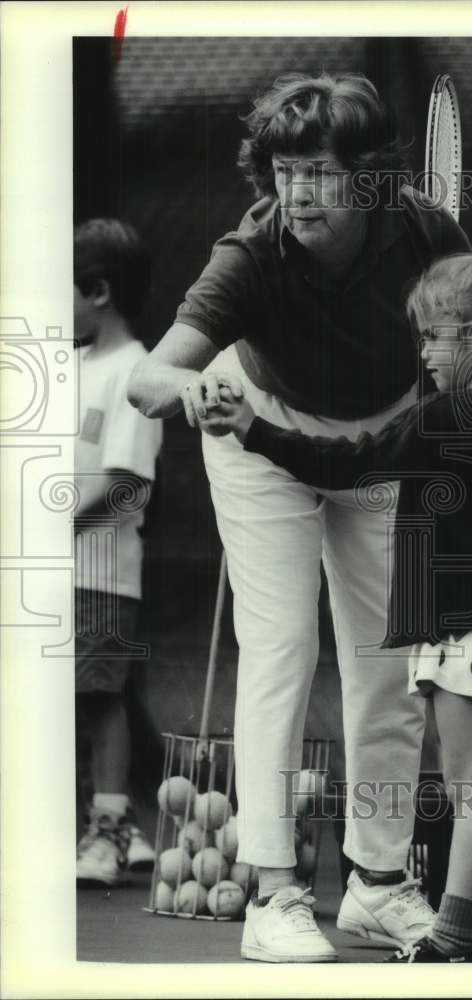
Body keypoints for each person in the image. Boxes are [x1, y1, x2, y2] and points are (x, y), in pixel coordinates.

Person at [127, 73, 471, 962]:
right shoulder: (249, 254)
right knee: (281, 646)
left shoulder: (427, 232)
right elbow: (147, 376)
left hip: (381, 446)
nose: (298, 191)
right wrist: (191, 386)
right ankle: (273, 893)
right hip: (257, 437)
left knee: (387, 661)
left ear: (367, 177)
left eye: (318, 170)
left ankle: (378, 884)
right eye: (283, 171)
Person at [201, 252, 472, 962]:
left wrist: (253, 431)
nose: (421, 353)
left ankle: (448, 938)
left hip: (463, 639)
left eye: (431, 337)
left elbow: (348, 463)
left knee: (469, 788)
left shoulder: (438, 419)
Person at [74, 219, 163, 885]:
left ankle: (106, 834)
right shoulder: (70, 365)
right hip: (54, 576)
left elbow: (126, 480)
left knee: (98, 697)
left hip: (101, 577)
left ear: (99, 291)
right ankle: (116, 823)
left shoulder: (137, 372)